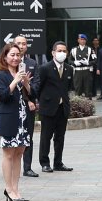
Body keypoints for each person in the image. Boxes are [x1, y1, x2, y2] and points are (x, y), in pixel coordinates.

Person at [0, 43, 34, 201]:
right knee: (9, 154)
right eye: (12, 55)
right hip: (8, 118)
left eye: (18, 55)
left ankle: (16, 189)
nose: (15, 58)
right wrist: (15, 81)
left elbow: (33, 95)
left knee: (19, 153)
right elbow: (2, 96)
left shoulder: (22, 72)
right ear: (5, 57)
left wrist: (26, 83)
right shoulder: (0, 74)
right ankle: (8, 188)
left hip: (23, 118)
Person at [36, 41, 74, 173]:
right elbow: (38, 88)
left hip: (62, 108)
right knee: (46, 136)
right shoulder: (44, 68)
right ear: (53, 53)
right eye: (59, 51)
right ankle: (44, 163)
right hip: (48, 108)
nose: (62, 53)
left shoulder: (69, 68)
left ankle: (58, 162)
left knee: (60, 137)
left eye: (64, 51)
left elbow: (69, 87)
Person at [12, 35, 39, 177]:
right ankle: (10, 165)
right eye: (19, 44)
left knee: (28, 137)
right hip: (12, 106)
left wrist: (30, 99)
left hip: (28, 107)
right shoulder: (8, 64)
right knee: (12, 137)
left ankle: (27, 167)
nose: (21, 46)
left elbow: (36, 87)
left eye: (24, 44)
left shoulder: (32, 63)